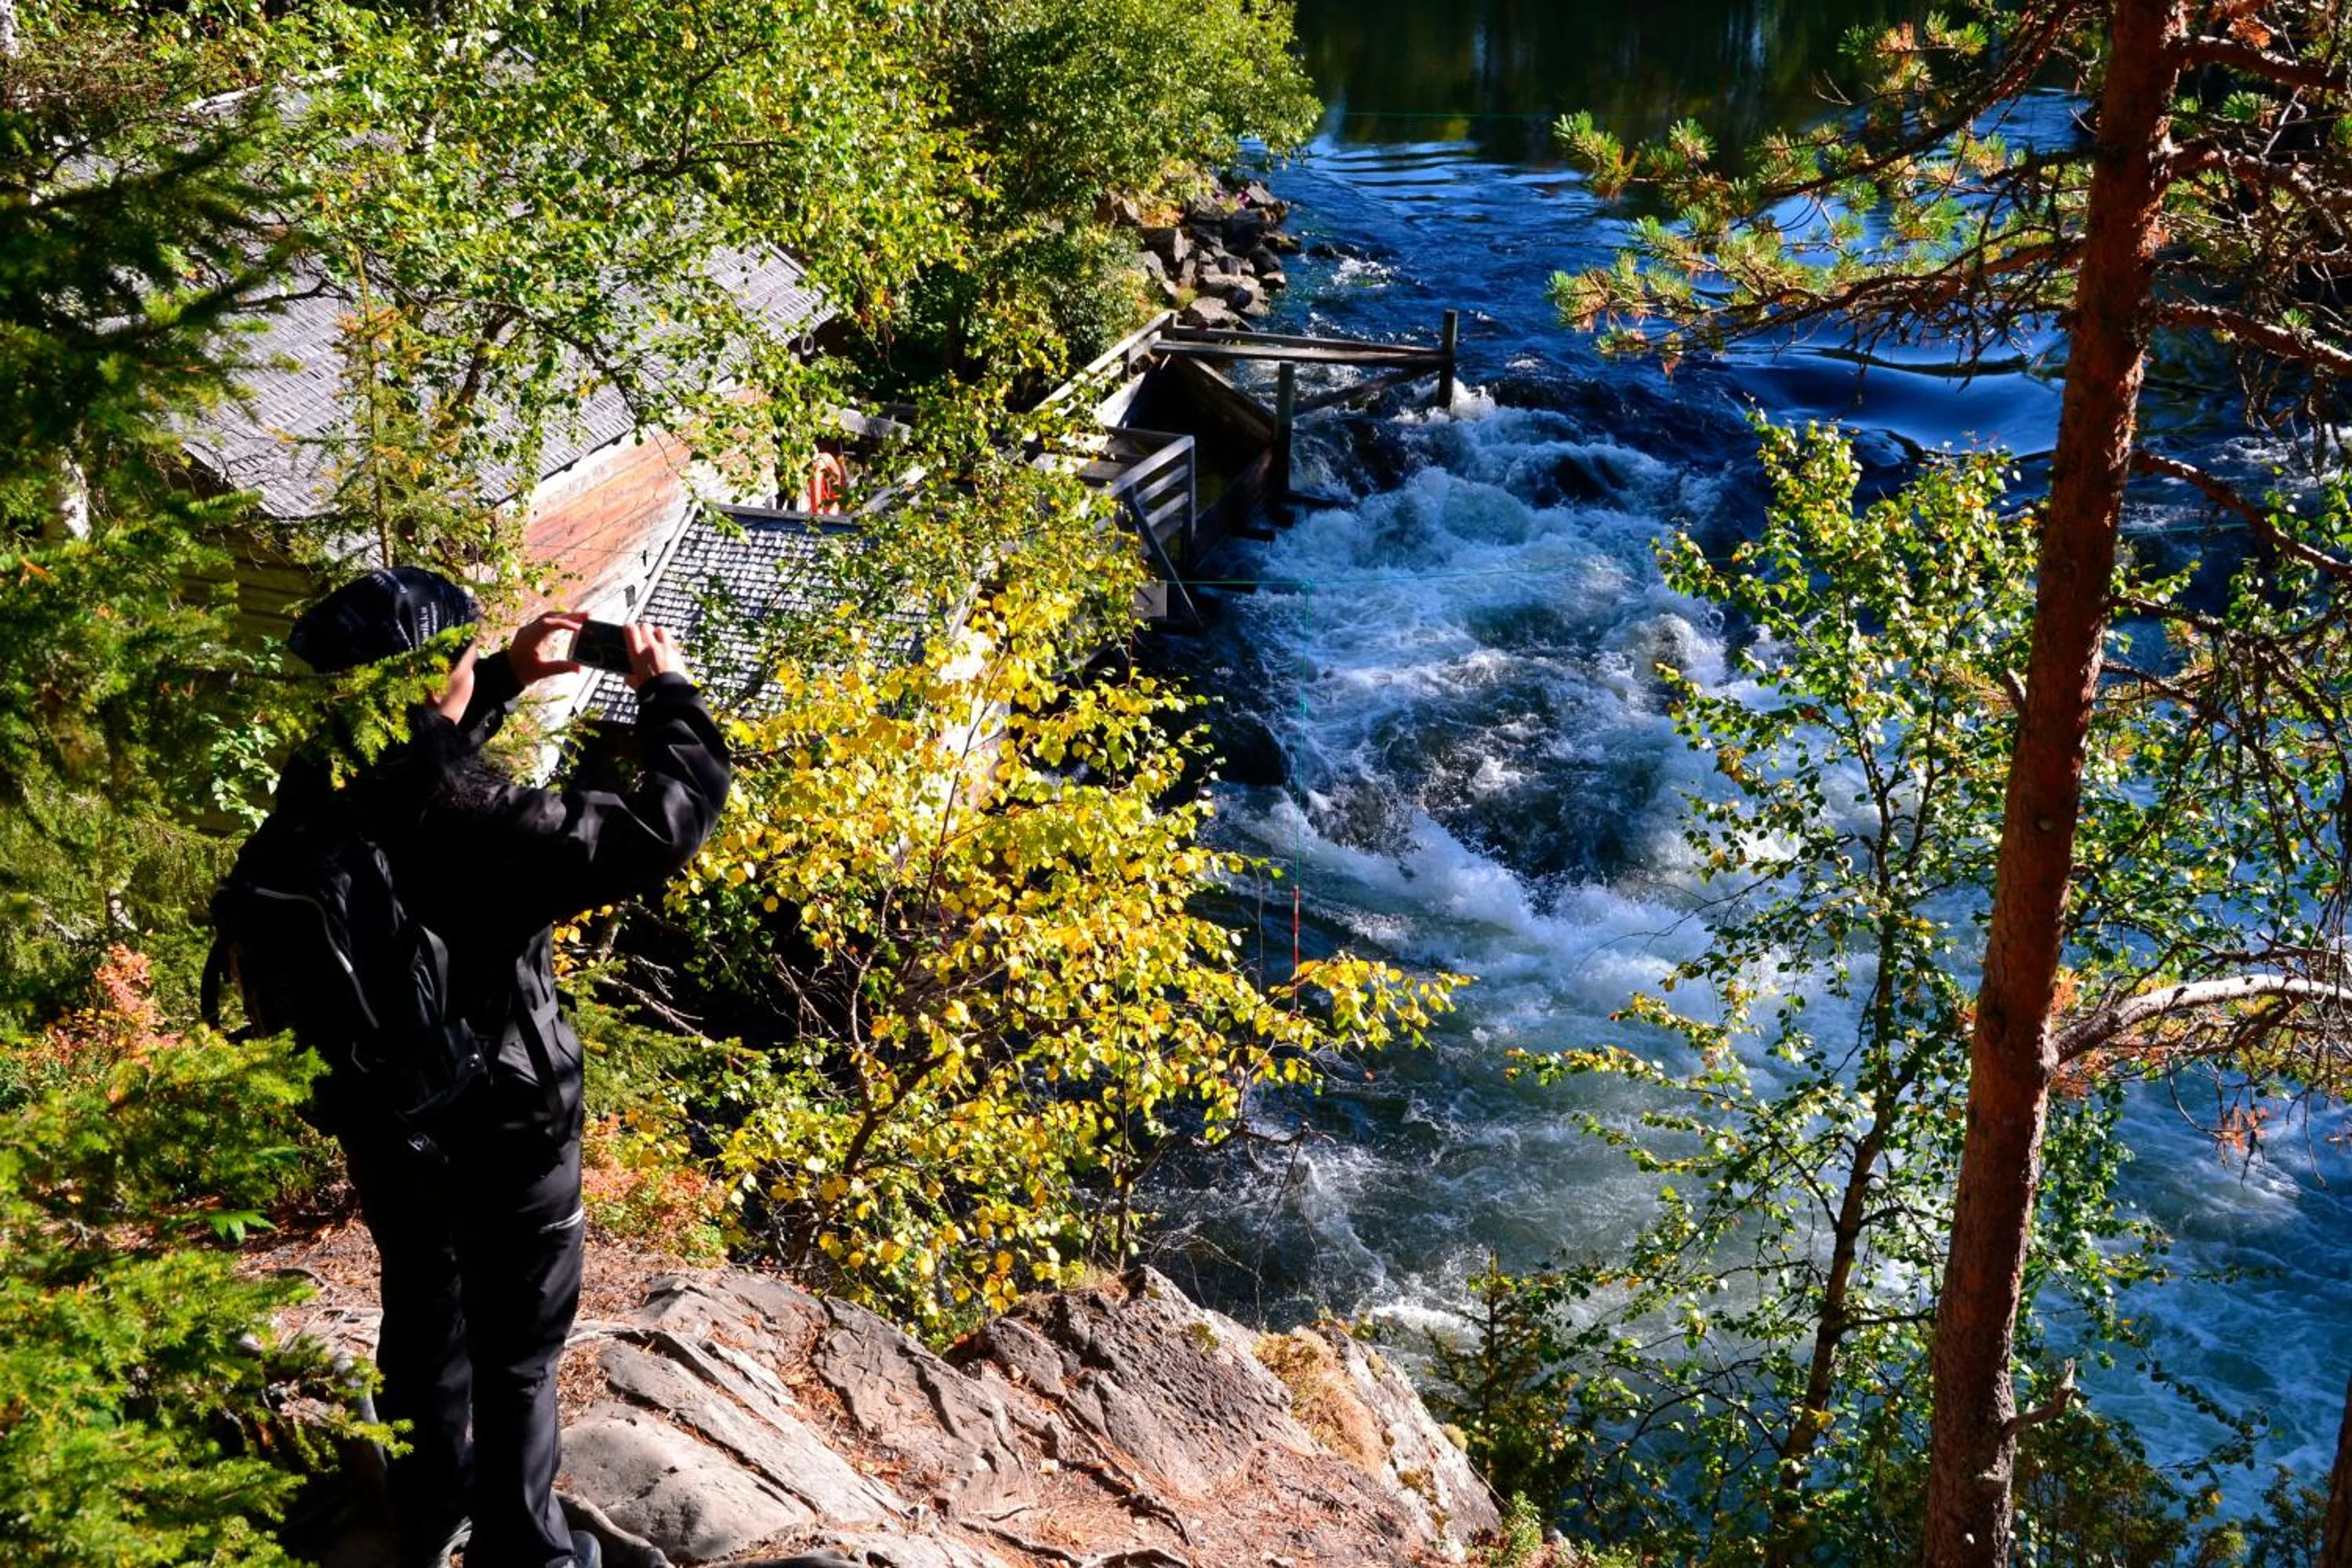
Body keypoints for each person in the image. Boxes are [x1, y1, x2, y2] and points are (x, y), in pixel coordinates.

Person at [278, 568, 731, 1568]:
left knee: (421, 1311)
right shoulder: (480, 822)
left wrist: (501, 682)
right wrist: (670, 695)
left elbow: (415, 765)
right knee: (519, 1358)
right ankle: (527, 1550)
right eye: (464, 657)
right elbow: (661, 822)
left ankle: (426, 1504)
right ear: (438, 671)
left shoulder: (317, 788)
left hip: (385, 1114)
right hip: (508, 1124)